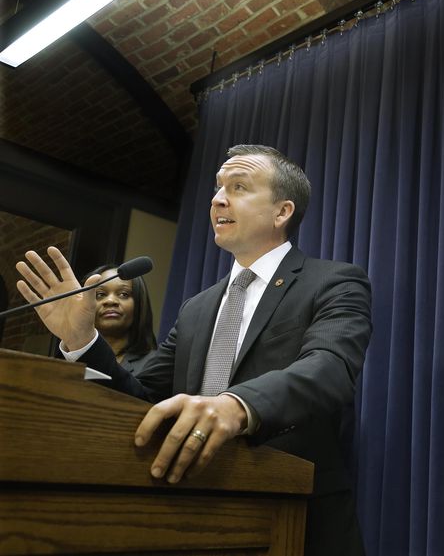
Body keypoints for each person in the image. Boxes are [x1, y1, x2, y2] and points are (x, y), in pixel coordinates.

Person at [15, 144, 372, 556]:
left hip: (296, 519)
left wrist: (236, 405)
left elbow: (330, 369)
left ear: (282, 212)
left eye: (238, 187)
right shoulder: (197, 307)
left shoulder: (334, 281)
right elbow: (142, 396)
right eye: (217, 187)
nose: (218, 198)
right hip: (191, 512)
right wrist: (80, 341)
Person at [86, 264, 157, 376]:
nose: (110, 301)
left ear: (139, 305)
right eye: (100, 294)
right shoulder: (71, 359)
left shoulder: (155, 364)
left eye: (123, 294)